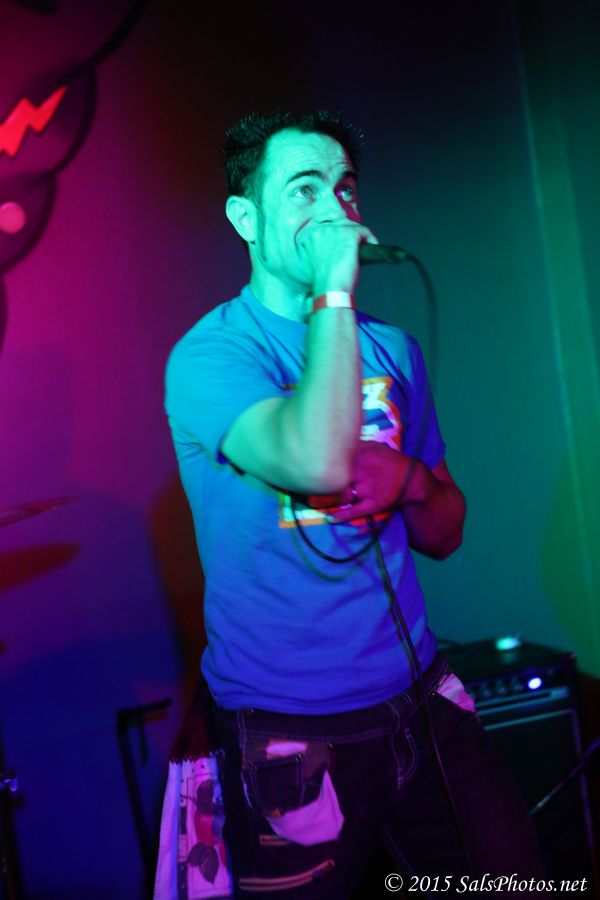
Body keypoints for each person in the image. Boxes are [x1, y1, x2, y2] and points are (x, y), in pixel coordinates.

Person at [165, 111, 546, 898]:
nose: (335, 210)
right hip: (291, 731)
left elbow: (445, 531)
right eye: (305, 190)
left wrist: (410, 480)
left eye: (344, 189)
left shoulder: (392, 350)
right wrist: (332, 295)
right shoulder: (211, 356)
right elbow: (315, 460)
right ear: (246, 218)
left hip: (420, 701)